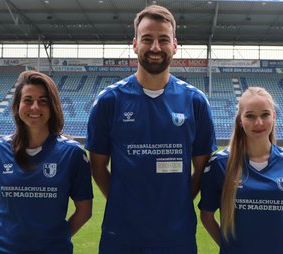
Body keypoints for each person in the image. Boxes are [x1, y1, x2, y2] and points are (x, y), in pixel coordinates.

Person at [86, 5, 217, 253]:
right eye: (147, 39)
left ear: (175, 45)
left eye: (163, 39)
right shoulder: (109, 101)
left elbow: (202, 169)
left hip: (176, 235)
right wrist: (124, 202)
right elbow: (97, 166)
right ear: (135, 44)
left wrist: (176, 203)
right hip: (121, 234)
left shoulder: (195, 102)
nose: (155, 47)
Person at [0, 70, 93, 254]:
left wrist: (56, 240)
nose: (35, 107)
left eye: (43, 101)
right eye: (28, 100)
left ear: (53, 106)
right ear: (17, 105)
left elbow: (84, 210)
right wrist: (9, 237)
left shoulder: (72, 153)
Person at [199, 87, 283, 254]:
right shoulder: (219, 164)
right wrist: (230, 247)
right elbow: (206, 215)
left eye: (265, 115)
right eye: (250, 116)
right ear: (240, 120)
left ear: (274, 117)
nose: (259, 123)